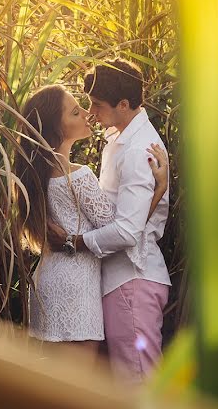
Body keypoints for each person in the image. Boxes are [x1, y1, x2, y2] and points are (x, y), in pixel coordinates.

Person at [14, 84, 168, 356]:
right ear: (55, 129)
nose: (87, 114)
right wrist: (159, 191)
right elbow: (121, 229)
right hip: (76, 287)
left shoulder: (36, 175)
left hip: (46, 281)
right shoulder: (79, 177)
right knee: (74, 388)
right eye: (75, 112)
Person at [47, 59, 171, 383]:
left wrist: (76, 242)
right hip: (120, 281)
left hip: (132, 280)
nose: (91, 112)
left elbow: (128, 231)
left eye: (97, 105)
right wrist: (158, 190)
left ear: (124, 104)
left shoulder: (138, 149)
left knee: (138, 387)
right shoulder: (120, 139)